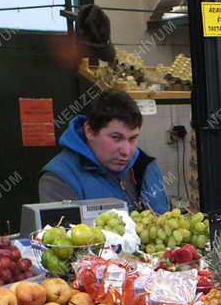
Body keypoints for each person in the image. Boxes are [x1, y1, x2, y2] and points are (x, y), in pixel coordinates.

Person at [39, 90, 170, 213]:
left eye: (132, 138)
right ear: (89, 131)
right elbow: (62, 235)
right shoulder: (59, 178)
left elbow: (162, 224)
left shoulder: (144, 165)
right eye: (116, 138)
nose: (126, 151)